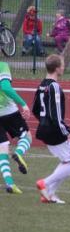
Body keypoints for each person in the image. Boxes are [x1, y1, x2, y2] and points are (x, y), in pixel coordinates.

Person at [32, 55, 70, 204]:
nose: (63, 67)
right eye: (62, 64)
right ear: (56, 68)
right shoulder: (54, 87)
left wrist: (44, 122)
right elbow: (56, 115)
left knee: (68, 161)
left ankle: (48, 194)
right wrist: (67, 131)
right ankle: (45, 184)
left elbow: (35, 109)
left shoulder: (42, 84)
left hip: (47, 130)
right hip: (55, 132)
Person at [0, 62, 32, 194]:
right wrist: (23, 104)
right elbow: (5, 87)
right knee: (27, 136)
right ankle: (19, 153)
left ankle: (10, 183)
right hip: (8, 110)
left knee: (2, 149)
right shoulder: (2, 65)